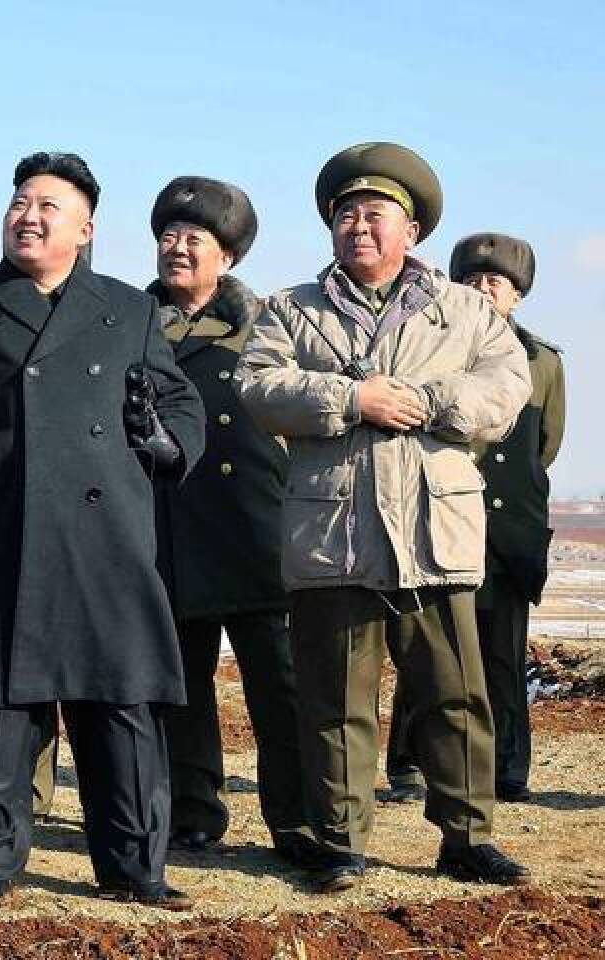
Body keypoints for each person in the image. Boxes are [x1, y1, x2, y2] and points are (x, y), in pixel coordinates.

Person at [0, 151, 205, 912]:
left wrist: (165, 443)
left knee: (121, 709)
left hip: (111, 539)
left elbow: (180, 403)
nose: (28, 215)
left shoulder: (129, 309)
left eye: (48, 206)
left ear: (84, 229)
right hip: (4, 535)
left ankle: (134, 870)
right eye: (19, 202)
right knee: (2, 708)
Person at [235, 142, 533, 893]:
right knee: (335, 699)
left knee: (455, 694)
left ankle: (466, 836)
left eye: (375, 214)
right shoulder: (289, 308)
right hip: (333, 536)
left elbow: (506, 391)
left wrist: (430, 401)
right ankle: (341, 842)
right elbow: (256, 386)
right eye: (346, 215)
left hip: (436, 534)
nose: (358, 227)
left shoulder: (466, 311)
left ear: (413, 231)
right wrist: (349, 400)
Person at [145, 176, 311, 863]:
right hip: (168, 532)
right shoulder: (128, 322)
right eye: (168, 236)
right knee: (181, 688)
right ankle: (193, 813)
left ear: (230, 257)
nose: (177, 249)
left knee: (282, 690)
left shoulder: (270, 325)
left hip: (258, 532)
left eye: (195, 240)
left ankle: (299, 823)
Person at [387, 233, 564, 805]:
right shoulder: (432, 346)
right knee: (427, 651)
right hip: (440, 521)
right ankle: (408, 765)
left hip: (509, 533)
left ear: (517, 296)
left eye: (497, 283)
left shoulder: (544, 364)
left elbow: (545, 446)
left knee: (504, 658)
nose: (484, 291)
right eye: (473, 281)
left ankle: (510, 769)